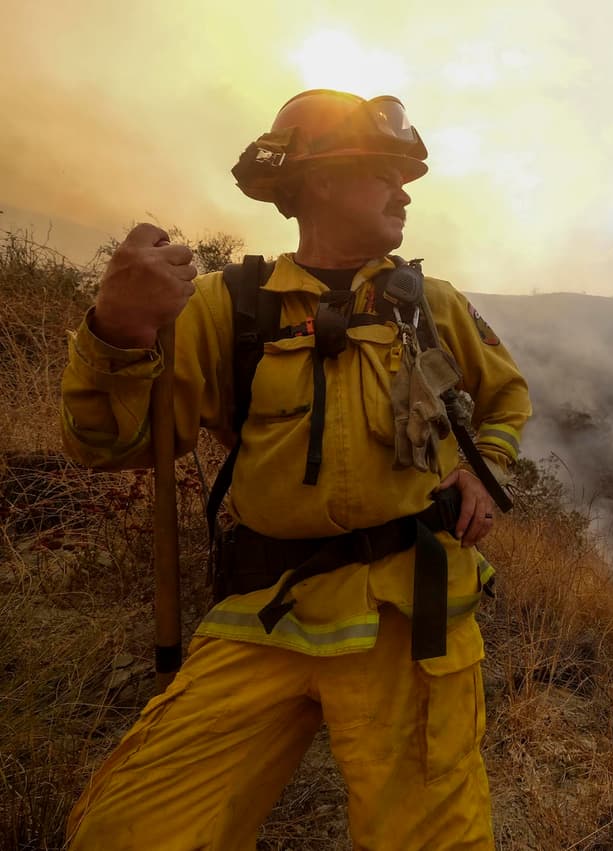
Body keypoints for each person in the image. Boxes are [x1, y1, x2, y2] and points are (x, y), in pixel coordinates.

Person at [59, 89, 530, 849]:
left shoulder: (434, 305)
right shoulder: (225, 306)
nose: (405, 191)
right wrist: (117, 329)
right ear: (319, 180)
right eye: (384, 170)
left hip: (410, 619)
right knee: (126, 830)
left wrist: (487, 467)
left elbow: (506, 395)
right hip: (265, 614)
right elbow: (110, 445)